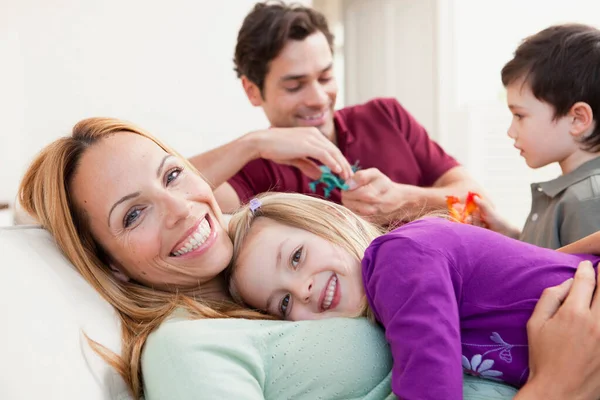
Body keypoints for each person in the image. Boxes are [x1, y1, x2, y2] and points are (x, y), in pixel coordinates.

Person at [16, 117, 600, 400]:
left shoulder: (272, 272)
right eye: (132, 215)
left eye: (173, 174)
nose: (179, 208)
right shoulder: (182, 347)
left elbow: (494, 242)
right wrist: (555, 384)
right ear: (110, 263)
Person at [226, 192, 600, 399]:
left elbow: (430, 391)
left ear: (334, 220)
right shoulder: (391, 300)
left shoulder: (395, 259)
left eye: (296, 257)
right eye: (284, 303)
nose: (301, 289)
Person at [189, 1, 483, 224]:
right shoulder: (253, 170)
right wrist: (251, 144)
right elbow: (173, 196)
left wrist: (404, 199)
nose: (318, 98)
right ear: (253, 91)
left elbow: (476, 200)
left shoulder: (385, 116)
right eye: (295, 86)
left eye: (326, 77)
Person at [474, 24, 600, 249]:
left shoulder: (589, 200)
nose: (511, 131)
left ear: (578, 119)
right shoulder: (574, 195)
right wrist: (511, 235)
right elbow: (553, 263)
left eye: (520, 115)